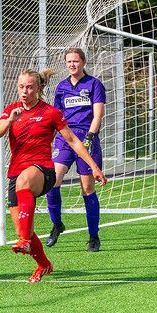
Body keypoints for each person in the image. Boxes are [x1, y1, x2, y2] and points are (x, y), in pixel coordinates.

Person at [0, 69, 106, 283]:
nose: (24, 91)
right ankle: (44, 264)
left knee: (25, 182)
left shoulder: (50, 112)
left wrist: (94, 167)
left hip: (43, 169)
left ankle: (25, 240)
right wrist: (9, 121)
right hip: (16, 172)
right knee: (22, 226)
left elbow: (72, 140)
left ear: (38, 89)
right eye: (21, 87)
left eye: (29, 87)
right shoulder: (12, 110)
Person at [46, 47, 107, 252]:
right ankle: (57, 224)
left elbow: (97, 114)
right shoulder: (62, 87)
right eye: (69, 62)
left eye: (76, 61)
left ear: (83, 63)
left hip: (86, 138)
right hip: (64, 138)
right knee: (53, 181)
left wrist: (90, 136)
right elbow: (56, 116)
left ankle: (93, 237)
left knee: (87, 189)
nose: (72, 64)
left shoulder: (94, 84)